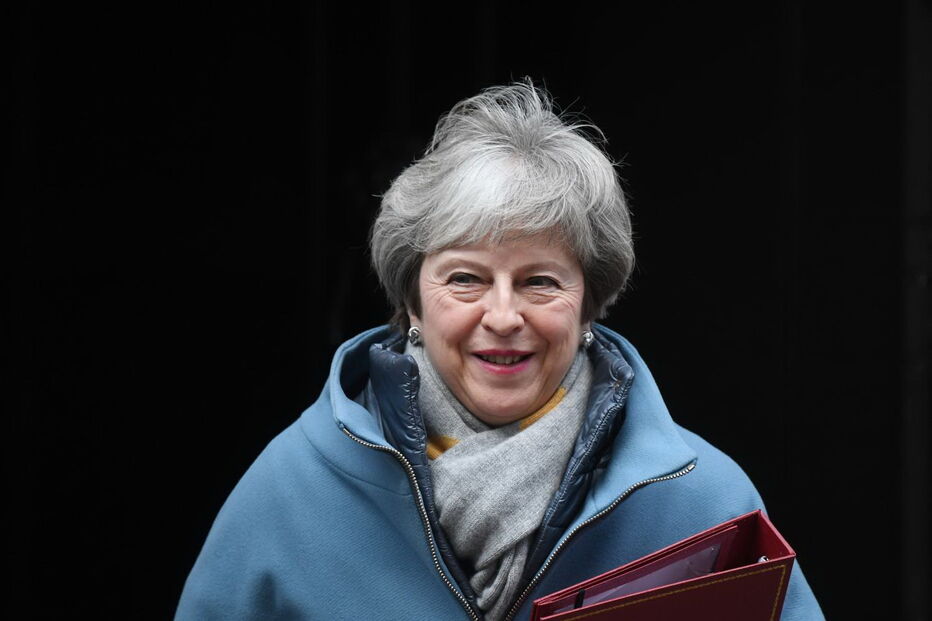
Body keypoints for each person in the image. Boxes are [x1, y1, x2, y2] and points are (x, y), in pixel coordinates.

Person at [175, 81, 824, 620]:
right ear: (412, 303)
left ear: (590, 302)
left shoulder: (702, 503)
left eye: (540, 280)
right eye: (466, 278)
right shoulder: (289, 494)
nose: (504, 315)